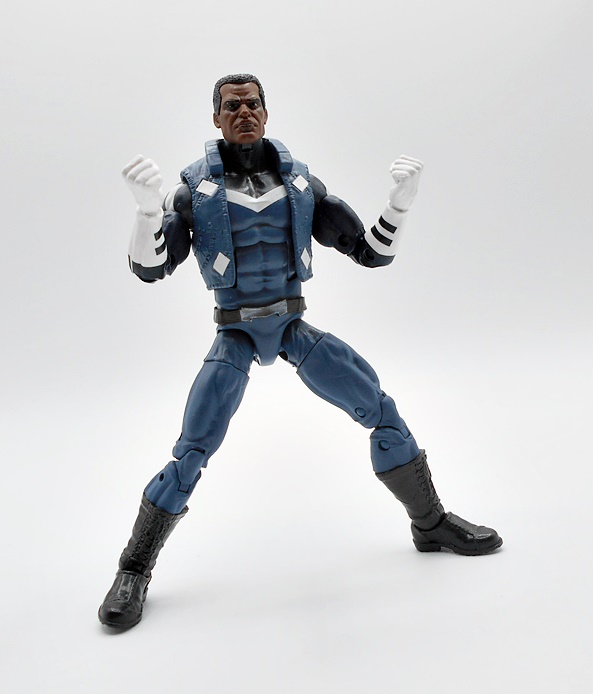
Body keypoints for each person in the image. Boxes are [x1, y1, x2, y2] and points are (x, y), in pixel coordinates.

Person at [98, 73, 502, 630]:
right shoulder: (194, 192)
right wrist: (147, 214)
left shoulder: (301, 186)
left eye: (253, 103)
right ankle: (134, 568)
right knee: (190, 453)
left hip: (292, 326)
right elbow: (150, 268)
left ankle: (430, 523)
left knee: (381, 411)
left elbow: (368, 252)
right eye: (232, 106)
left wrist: (399, 206)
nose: (244, 112)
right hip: (236, 332)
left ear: (266, 113)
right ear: (216, 118)